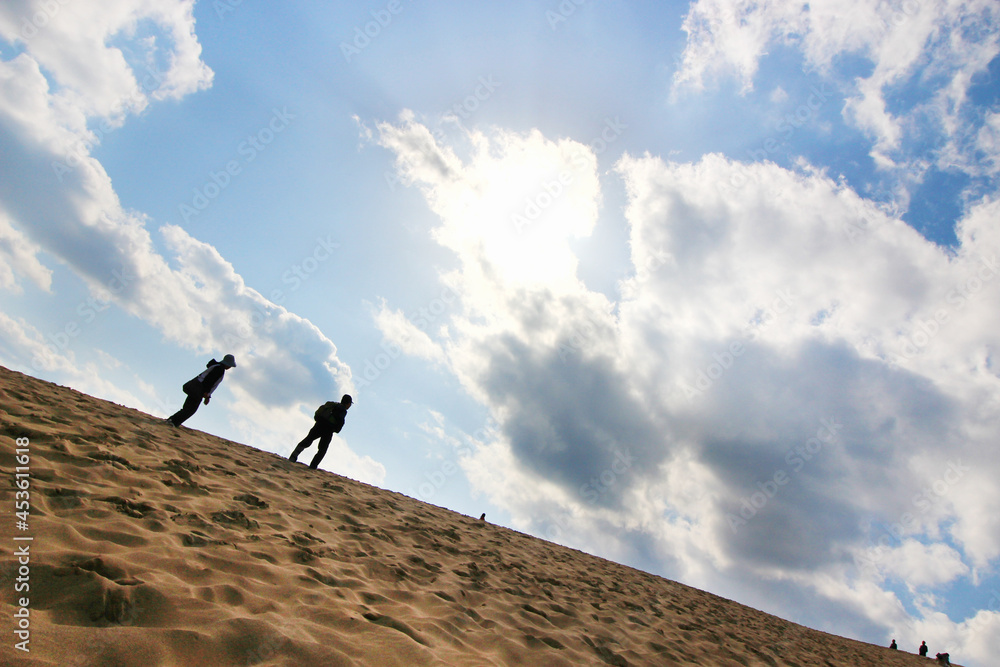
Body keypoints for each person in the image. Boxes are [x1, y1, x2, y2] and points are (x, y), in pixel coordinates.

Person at [166, 355, 236, 427]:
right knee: (190, 409)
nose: (230, 367)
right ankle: (173, 422)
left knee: (188, 408)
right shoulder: (219, 369)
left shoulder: (217, 366)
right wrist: (207, 395)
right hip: (199, 389)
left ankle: (172, 420)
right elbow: (209, 381)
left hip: (197, 387)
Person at [289, 394, 352, 469]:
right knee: (322, 449)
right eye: (350, 403)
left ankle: (293, 457)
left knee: (307, 440)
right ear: (348, 403)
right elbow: (340, 421)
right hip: (328, 430)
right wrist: (336, 429)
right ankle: (313, 466)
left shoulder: (332, 405)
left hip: (319, 425)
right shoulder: (342, 410)